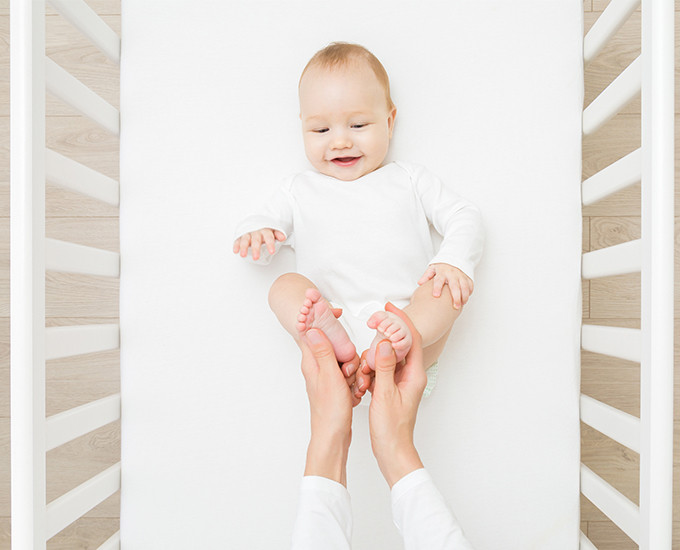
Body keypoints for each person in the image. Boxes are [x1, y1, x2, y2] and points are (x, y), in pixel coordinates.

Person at [232, 42, 483, 398]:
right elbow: (264, 231)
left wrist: (452, 260)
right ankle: (328, 337)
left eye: (358, 124)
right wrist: (257, 233)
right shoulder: (298, 189)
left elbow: (463, 214)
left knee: (446, 292)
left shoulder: (409, 179)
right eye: (321, 131)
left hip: (409, 325)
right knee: (284, 286)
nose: (340, 141)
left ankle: (395, 339)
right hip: (335, 322)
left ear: (389, 121)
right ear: (302, 127)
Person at [291, 302, 475, 549]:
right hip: (397, 333)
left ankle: (362, 340)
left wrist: (327, 434)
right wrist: (453, 262)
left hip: (335, 318)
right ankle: (389, 345)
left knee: (286, 290)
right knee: (444, 297)